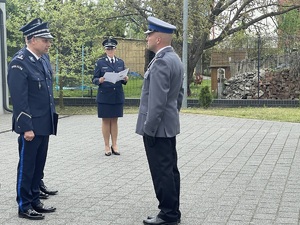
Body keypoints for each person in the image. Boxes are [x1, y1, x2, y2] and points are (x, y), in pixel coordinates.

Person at [7, 19, 58, 220]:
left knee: (38, 166)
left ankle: (35, 200)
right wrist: (26, 127)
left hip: (44, 123)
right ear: (32, 39)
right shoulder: (19, 62)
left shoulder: (41, 60)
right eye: (45, 40)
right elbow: (20, 100)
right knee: (27, 167)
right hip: (31, 126)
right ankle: (24, 205)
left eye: (49, 40)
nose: (48, 44)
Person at [136, 17, 184, 225]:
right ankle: (172, 210)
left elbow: (156, 101)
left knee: (162, 171)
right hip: (168, 125)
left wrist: (150, 128)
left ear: (157, 39)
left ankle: (167, 214)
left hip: (157, 128)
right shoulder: (175, 59)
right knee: (170, 169)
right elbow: (179, 95)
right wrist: (172, 115)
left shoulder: (162, 61)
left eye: (149, 35)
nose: (147, 38)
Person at [92, 37, 129, 156]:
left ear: (115, 49)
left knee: (115, 120)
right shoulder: (100, 62)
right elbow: (94, 79)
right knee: (106, 120)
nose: (110, 51)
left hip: (117, 95)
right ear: (105, 50)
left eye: (112, 48)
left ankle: (115, 144)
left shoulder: (120, 62)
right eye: (108, 49)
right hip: (105, 96)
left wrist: (125, 79)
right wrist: (100, 80)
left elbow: (122, 78)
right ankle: (106, 145)